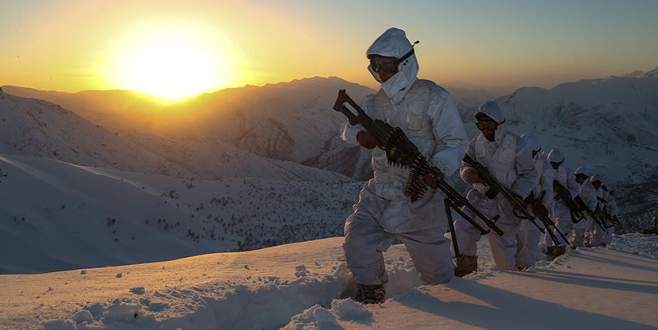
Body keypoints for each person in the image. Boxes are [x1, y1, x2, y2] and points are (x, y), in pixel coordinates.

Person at [340, 27, 468, 304]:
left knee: (438, 276)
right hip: (380, 190)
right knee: (357, 243)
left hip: (420, 194)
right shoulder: (372, 102)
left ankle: (457, 312)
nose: (380, 72)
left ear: (405, 64)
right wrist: (362, 137)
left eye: (386, 66)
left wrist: (437, 168)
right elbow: (347, 130)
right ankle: (370, 291)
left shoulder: (435, 97)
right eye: (375, 66)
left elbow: (456, 141)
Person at [454, 101, 538, 276]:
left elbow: (529, 174)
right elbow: (464, 165)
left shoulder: (517, 143)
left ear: (498, 123)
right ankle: (466, 272)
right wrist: (469, 175)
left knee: (502, 244)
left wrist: (517, 194)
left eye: (488, 124)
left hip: (506, 202)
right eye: (480, 125)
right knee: (462, 229)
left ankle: (512, 280)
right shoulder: (475, 144)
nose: (484, 128)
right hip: (479, 196)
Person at [515, 134, 553, 269]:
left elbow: (548, 188)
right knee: (516, 243)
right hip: (516, 206)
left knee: (530, 243)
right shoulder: (514, 159)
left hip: (535, 208)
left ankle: (528, 273)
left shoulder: (543, 164)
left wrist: (542, 204)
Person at [542, 149, 579, 257]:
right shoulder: (544, 170)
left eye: (557, 164)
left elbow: (575, 189)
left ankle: (559, 253)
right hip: (549, 204)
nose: (555, 166)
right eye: (553, 164)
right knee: (548, 230)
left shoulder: (568, 172)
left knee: (560, 231)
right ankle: (548, 252)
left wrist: (565, 195)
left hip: (563, 206)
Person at [571, 167, 598, 247]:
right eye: (580, 176)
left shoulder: (590, 189)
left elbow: (593, 201)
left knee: (580, 231)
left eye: (584, 177)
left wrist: (589, 210)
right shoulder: (570, 183)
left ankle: (576, 248)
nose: (581, 179)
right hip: (568, 210)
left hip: (581, 213)